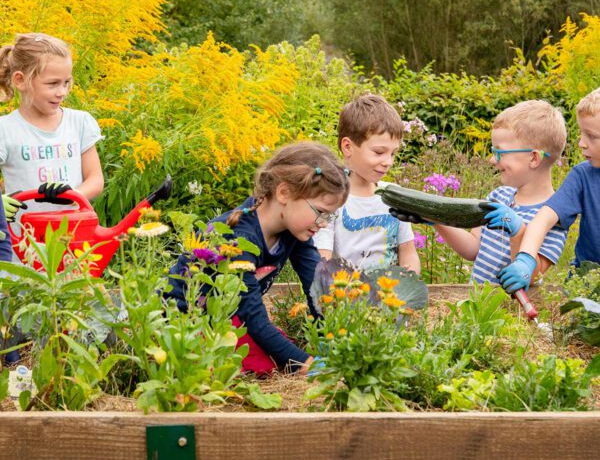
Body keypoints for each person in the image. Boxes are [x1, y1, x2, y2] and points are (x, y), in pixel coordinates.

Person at [165, 141, 350, 376]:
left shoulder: (294, 231)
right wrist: (305, 364)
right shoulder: (239, 238)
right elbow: (251, 315)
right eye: (320, 212)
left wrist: (331, 337)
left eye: (329, 216)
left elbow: (318, 287)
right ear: (284, 192)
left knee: (274, 350)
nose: (323, 223)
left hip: (227, 319)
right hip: (183, 322)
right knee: (267, 361)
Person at [392, 100, 568, 286]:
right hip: (477, 307)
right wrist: (435, 219)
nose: (492, 160)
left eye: (500, 153)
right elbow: (473, 249)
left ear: (533, 158)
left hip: (510, 312)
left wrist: (517, 231)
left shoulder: (554, 217)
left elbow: (531, 277)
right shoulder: (498, 196)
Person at [499, 90, 600, 293]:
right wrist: (526, 260)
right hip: (584, 292)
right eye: (581, 133)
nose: (581, 143)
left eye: (591, 136)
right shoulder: (582, 176)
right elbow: (543, 219)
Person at [0, 32, 104, 224]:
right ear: (20, 80)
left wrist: (73, 195)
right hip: (23, 244)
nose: (62, 92)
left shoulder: (79, 122)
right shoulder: (5, 130)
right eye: (53, 84)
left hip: (74, 237)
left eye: (66, 82)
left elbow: (95, 179)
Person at [313, 94, 420, 273]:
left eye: (393, 153)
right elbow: (323, 259)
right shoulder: (331, 199)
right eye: (379, 152)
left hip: (390, 296)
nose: (388, 161)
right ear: (347, 147)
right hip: (347, 295)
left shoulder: (396, 197)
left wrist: (410, 275)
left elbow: (408, 252)